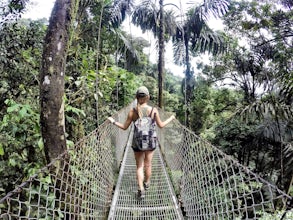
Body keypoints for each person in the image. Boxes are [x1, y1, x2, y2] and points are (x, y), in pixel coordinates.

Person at [108, 86, 175, 200]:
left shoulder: (132, 111)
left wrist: (113, 121)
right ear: (148, 97)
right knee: (148, 164)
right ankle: (147, 183)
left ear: (136, 97)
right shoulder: (153, 111)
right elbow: (161, 125)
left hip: (137, 141)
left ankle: (141, 190)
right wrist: (171, 118)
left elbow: (124, 127)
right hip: (150, 141)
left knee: (139, 166)